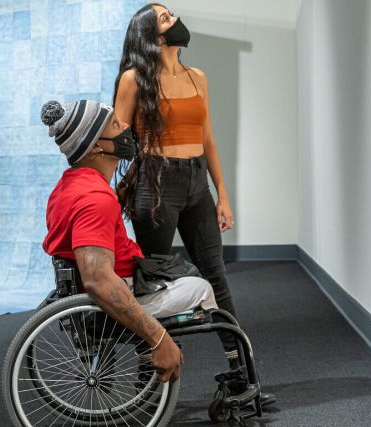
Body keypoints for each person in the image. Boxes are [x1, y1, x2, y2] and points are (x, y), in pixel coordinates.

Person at [111, 3, 275, 405]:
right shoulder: (134, 80)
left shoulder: (197, 77)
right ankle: (147, 381)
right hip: (156, 185)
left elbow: (209, 139)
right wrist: (105, 191)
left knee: (216, 277)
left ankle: (242, 373)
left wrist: (224, 195)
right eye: (165, 18)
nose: (175, 20)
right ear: (153, 36)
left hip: (196, 184)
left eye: (171, 14)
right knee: (152, 284)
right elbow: (116, 142)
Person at [40, 98, 219, 383]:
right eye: (114, 124)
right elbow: (99, 280)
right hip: (113, 297)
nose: (125, 126)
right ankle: (155, 364)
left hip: (103, 286)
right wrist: (158, 338)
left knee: (172, 267)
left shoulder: (69, 185)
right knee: (202, 289)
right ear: (97, 145)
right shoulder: (94, 199)